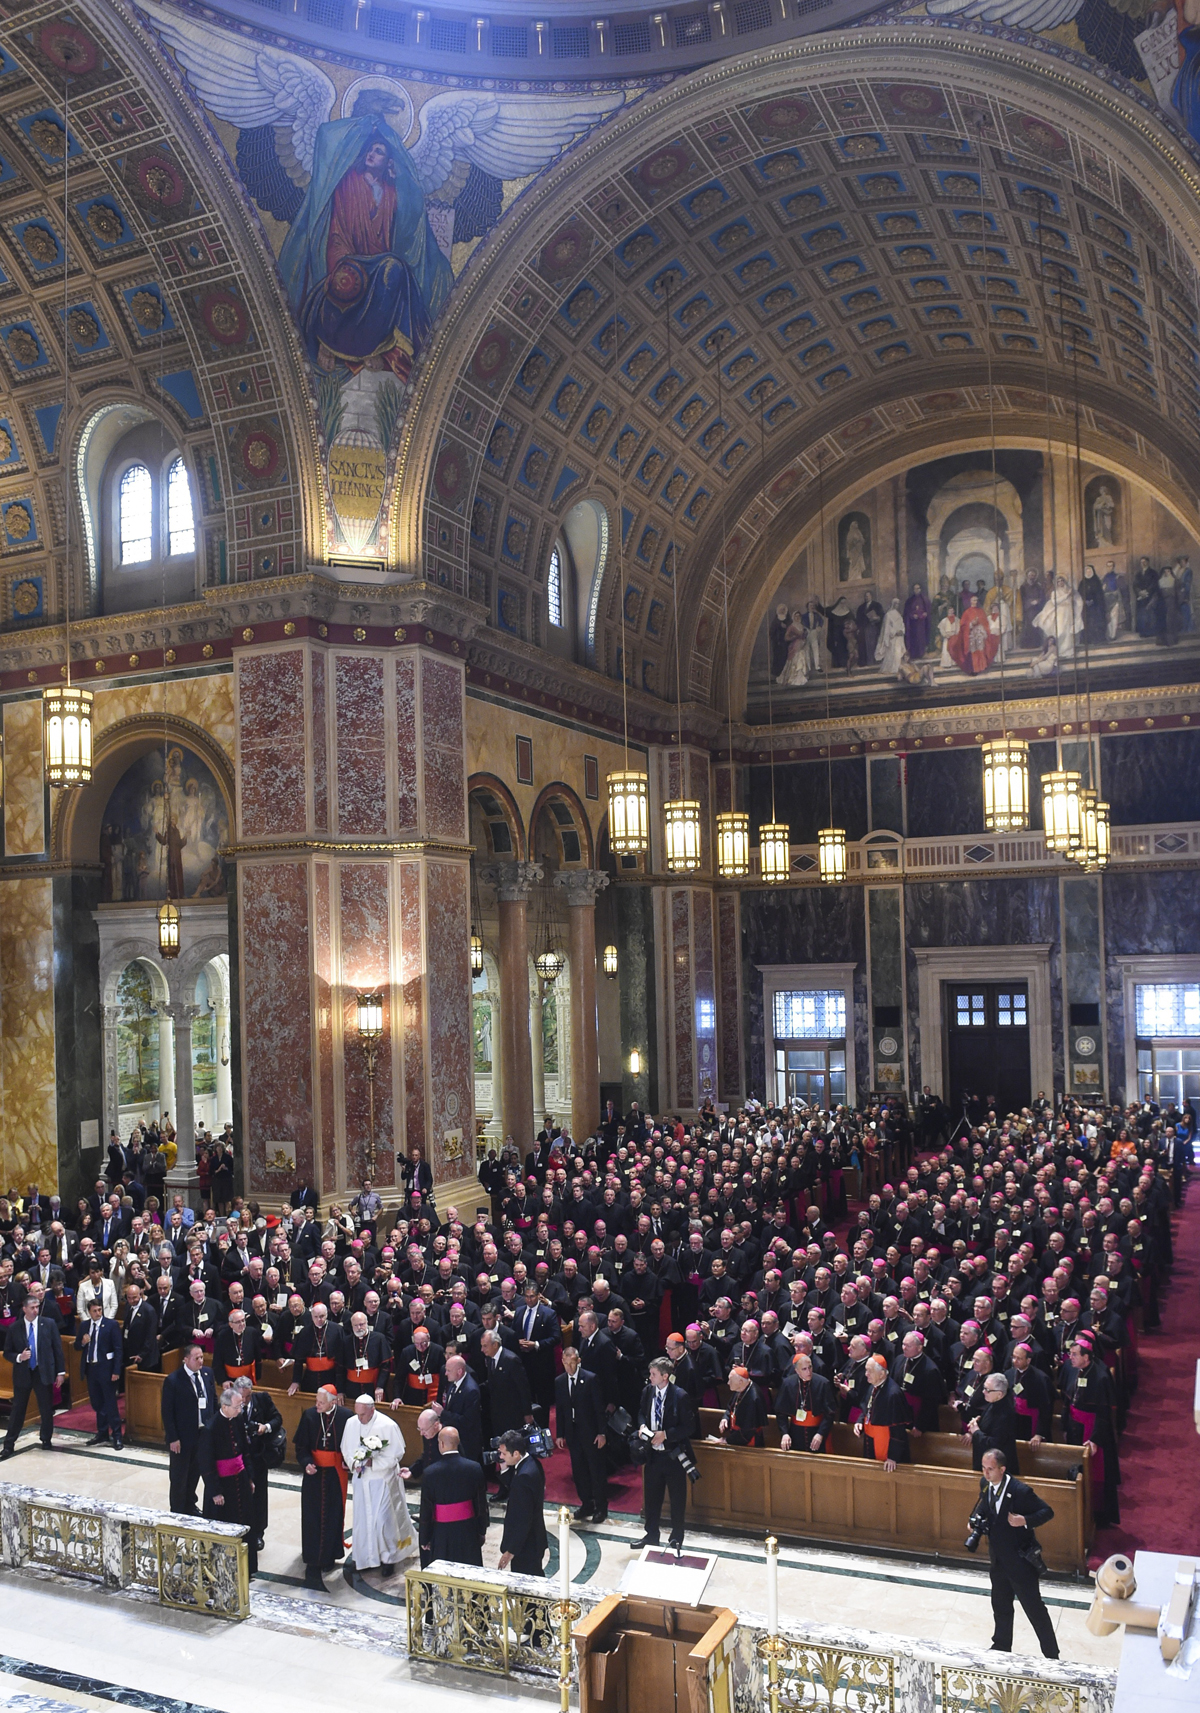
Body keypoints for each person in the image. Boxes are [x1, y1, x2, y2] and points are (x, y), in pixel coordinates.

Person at [976, 1447, 1058, 1659]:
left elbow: (1047, 1512)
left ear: (1002, 1469)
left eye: (990, 1469)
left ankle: (1052, 1655)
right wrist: (974, 1521)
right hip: (999, 1561)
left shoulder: (1020, 1491)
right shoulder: (985, 1484)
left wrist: (1025, 1520)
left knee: (1034, 1610)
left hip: (1021, 1563)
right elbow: (984, 1508)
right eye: (983, 1468)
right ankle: (1001, 1645)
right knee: (1000, 1605)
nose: (986, 1474)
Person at [341, 1393, 416, 1576]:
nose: (360, 1419)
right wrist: (355, 1464)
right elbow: (346, 1448)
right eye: (357, 1414)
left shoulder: (387, 1425)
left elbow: (396, 1454)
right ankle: (365, 1558)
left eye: (363, 1415)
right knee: (362, 1520)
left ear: (372, 1410)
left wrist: (372, 1463)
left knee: (384, 1520)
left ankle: (389, 1558)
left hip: (383, 1481)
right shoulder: (352, 1423)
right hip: (362, 1481)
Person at [634, 1356, 695, 1552]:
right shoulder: (647, 1391)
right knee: (652, 1499)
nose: (650, 1377)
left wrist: (666, 1435)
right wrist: (642, 1425)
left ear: (665, 1376)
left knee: (677, 1500)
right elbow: (642, 1412)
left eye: (653, 1374)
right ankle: (651, 1535)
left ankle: (676, 1538)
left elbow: (689, 1427)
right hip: (653, 1456)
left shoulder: (680, 1396)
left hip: (673, 1457)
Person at [295, 1385, 352, 1591]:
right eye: (316, 1401)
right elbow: (300, 1447)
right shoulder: (310, 1416)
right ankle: (312, 1556)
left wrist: (348, 1460)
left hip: (336, 1474)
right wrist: (306, 1462)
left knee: (333, 1513)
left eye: (320, 1402)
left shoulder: (346, 1416)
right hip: (314, 1474)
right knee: (312, 1514)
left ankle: (329, 1555)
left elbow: (352, 1444)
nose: (316, 1404)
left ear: (333, 1402)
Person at [199, 1384, 258, 1575]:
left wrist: (249, 1477)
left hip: (239, 1479)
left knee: (245, 1519)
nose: (240, 1409)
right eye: (237, 1406)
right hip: (222, 1486)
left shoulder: (238, 1419)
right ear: (224, 1407)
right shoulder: (210, 1428)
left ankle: (246, 1569)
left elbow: (244, 1451)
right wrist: (215, 1491)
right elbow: (206, 1462)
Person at [1, 1295, 65, 1458]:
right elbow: (7, 1352)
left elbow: (57, 1349)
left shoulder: (48, 1324)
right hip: (23, 1373)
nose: (36, 1310)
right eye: (32, 1308)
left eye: (37, 1307)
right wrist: (19, 1357)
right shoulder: (15, 1328)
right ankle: (9, 1444)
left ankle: (46, 1439)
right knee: (18, 1410)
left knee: (46, 1408)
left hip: (42, 1371)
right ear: (25, 1309)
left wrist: (60, 1372)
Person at [418, 1425, 488, 1567]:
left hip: (442, 1534)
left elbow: (426, 1510)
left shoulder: (430, 1473)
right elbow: (481, 1504)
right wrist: (481, 1530)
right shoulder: (474, 1468)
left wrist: (424, 1538)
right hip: (468, 1530)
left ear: (441, 1444)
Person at [554, 1343, 609, 1523]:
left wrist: (602, 1433)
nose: (569, 1367)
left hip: (591, 1433)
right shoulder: (560, 1381)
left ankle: (601, 1507)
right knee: (579, 1471)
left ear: (579, 1361)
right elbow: (561, 1410)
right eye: (566, 1363)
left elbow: (598, 1409)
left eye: (572, 1363)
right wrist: (560, 1433)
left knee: (596, 1470)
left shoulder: (591, 1379)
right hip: (573, 1433)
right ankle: (587, 1503)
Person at [161, 1343, 217, 1513]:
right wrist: (173, 1438)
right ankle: (177, 1509)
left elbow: (213, 1401)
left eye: (202, 1357)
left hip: (203, 1435)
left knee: (195, 1473)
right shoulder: (173, 1380)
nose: (201, 1361)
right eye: (196, 1358)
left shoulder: (207, 1374)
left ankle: (189, 1504)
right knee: (179, 1476)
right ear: (186, 1359)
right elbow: (167, 1412)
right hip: (182, 1438)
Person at [233, 1376, 283, 1553]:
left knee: (259, 1496)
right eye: (242, 1397)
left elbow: (277, 1419)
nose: (245, 1401)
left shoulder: (262, 1399)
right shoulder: (229, 1402)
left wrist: (265, 1427)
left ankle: (258, 1533)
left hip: (258, 1457)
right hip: (238, 1459)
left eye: (247, 1397)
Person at [496, 1428, 548, 1574]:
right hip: (533, 1540)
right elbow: (515, 1486)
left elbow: (523, 1519)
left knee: (528, 1587)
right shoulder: (531, 1463)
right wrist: (504, 1468)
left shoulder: (524, 1477)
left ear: (516, 1453)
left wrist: (511, 1551)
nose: (501, 1456)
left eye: (504, 1454)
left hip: (526, 1546)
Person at [76, 1296, 123, 1448]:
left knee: (110, 1403)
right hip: (91, 1369)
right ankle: (102, 1433)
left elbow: (118, 1349)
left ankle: (117, 1435)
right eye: (94, 1311)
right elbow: (77, 1346)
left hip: (106, 1369)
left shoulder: (111, 1325)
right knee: (97, 1403)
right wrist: (82, 1343)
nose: (97, 1313)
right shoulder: (84, 1326)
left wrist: (116, 1371)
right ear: (89, 1312)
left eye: (99, 1310)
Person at [853, 1355, 910, 1470]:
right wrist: (860, 1421)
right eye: (866, 1370)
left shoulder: (893, 1394)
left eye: (869, 1371)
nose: (866, 1374)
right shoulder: (873, 1386)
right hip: (870, 1438)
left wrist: (893, 1456)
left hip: (885, 1444)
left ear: (882, 1374)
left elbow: (898, 1428)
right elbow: (867, 1407)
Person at [777, 1351, 835, 1453]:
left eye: (810, 1367)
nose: (808, 1371)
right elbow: (781, 1412)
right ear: (797, 1370)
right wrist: (785, 1433)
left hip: (817, 1432)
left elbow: (830, 1413)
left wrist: (820, 1434)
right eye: (804, 1369)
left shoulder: (823, 1383)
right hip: (795, 1433)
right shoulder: (788, 1384)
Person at [965, 1373, 1021, 1474]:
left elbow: (995, 1443)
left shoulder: (1005, 1414)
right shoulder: (994, 1403)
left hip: (997, 1470)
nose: (983, 1392)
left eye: (988, 1390)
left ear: (999, 1394)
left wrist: (976, 1431)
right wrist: (978, 1421)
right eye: (984, 1388)